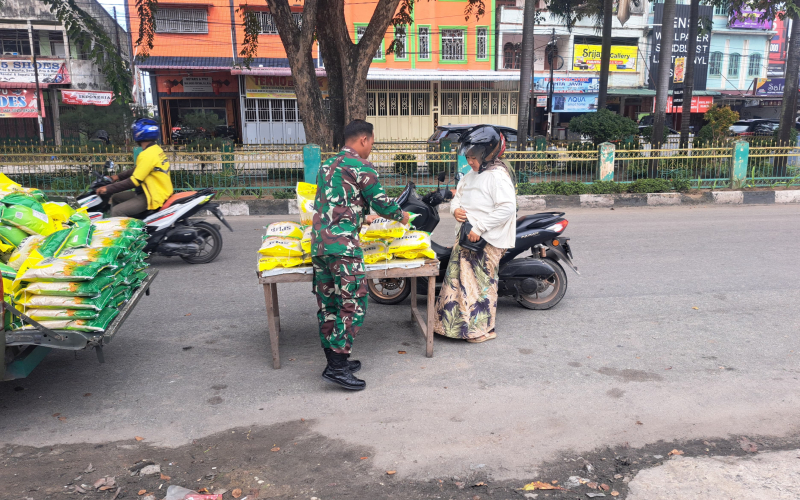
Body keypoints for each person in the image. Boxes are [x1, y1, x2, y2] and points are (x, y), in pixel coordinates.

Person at [310, 119, 410, 391]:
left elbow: (336, 202)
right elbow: (381, 200)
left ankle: (334, 359)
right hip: (343, 247)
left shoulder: (327, 165)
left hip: (320, 245)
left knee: (329, 304)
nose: (371, 148)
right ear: (364, 139)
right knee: (353, 303)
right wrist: (402, 216)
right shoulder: (361, 165)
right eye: (372, 142)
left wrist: (362, 217)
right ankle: (338, 367)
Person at [433, 125, 516, 343]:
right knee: (457, 284)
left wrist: (480, 228)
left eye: (474, 157)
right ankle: (452, 327)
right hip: (465, 237)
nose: (470, 161)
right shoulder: (470, 176)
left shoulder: (498, 176)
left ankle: (480, 331)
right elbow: (458, 197)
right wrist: (455, 210)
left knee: (480, 287)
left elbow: (507, 208)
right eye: (468, 156)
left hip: (485, 240)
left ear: (488, 153)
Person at [96, 118, 173, 218]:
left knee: (117, 211)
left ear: (139, 133)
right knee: (115, 198)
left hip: (152, 196)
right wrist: (117, 177)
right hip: (155, 191)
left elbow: (133, 182)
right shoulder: (156, 150)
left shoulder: (146, 154)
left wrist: (107, 188)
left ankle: (123, 232)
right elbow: (138, 169)